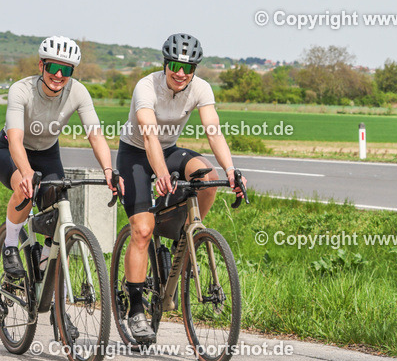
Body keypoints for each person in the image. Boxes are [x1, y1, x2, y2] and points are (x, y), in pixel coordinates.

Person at [117, 33, 246, 344]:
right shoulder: (146, 87)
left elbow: (213, 131)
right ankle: (135, 310)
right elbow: (148, 136)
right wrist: (161, 173)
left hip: (170, 148)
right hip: (136, 153)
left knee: (207, 175)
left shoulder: (200, 88)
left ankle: (187, 238)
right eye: (175, 65)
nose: (180, 73)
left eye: (188, 68)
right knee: (143, 230)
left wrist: (231, 171)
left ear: (194, 70)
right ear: (166, 64)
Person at [2, 36, 120, 277]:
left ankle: (45, 267)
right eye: (53, 67)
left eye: (65, 70)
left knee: (58, 202)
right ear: (41, 66)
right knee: (24, 189)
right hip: (10, 149)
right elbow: (15, 139)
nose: (58, 75)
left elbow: (95, 136)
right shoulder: (21, 89)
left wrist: (109, 170)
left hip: (47, 152)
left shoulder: (78, 92)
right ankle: (10, 245)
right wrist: (26, 174)